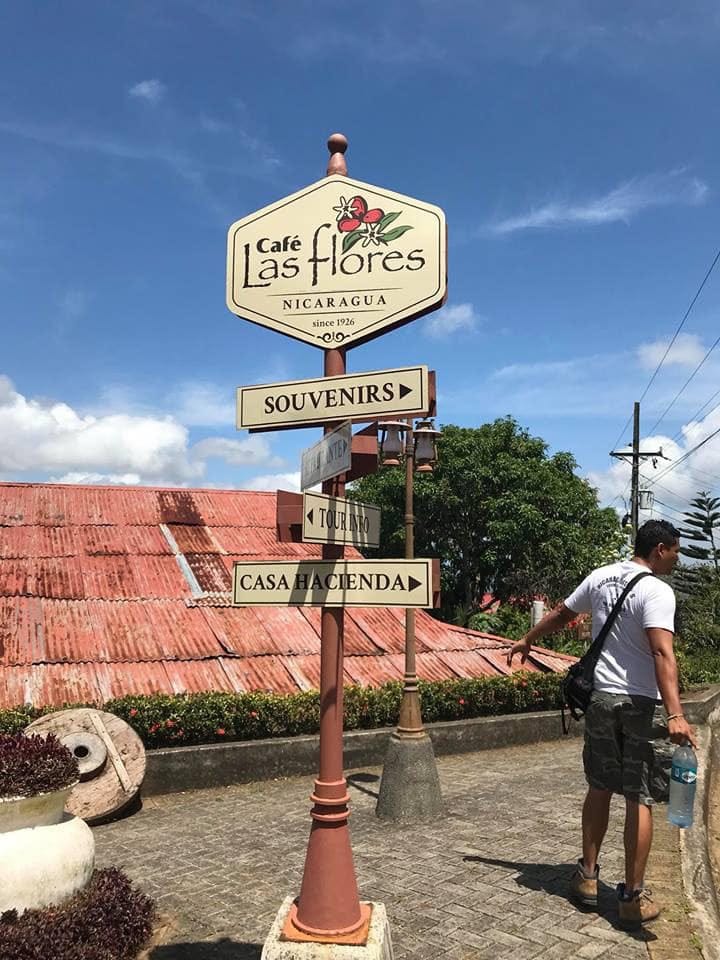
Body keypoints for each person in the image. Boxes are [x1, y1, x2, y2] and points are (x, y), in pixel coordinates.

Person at [507, 519, 697, 928]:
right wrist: (676, 714)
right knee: (639, 797)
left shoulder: (601, 576)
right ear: (660, 549)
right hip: (641, 704)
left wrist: (528, 638)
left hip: (601, 699)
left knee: (599, 786)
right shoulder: (656, 591)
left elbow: (562, 613)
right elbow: (662, 653)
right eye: (676, 551)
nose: (677, 559)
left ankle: (588, 878)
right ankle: (631, 898)